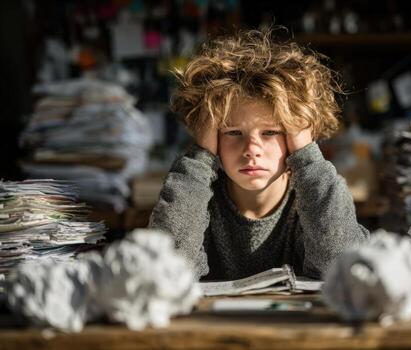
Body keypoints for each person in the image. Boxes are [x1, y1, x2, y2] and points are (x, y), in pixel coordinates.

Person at [149, 28, 369, 280]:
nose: (251, 149)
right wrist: (201, 156)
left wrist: (307, 156)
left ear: (298, 137)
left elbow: (343, 270)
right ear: (211, 137)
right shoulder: (193, 199)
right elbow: (164, 272)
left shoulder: (318, 198)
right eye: (232, 132)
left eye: (270, 132)